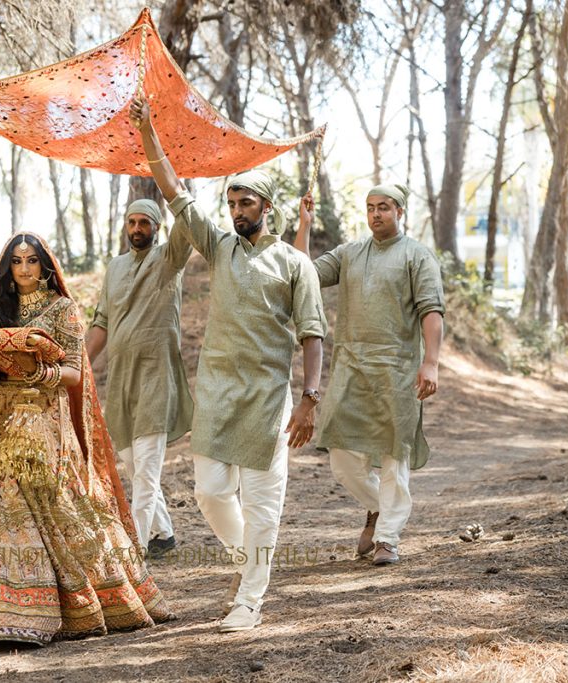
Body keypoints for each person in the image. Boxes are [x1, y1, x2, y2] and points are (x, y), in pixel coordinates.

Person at [131, 97, 326, 632]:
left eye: (247, 203)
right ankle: (249, 567)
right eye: (232, 202)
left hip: (268, 398)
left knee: (263, 504)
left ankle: (250, 600)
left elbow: (312, 335)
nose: (237, 211)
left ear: (266, 206)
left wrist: (309, 399)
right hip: (216, 392)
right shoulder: (218, 248)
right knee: (210, 493)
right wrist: (149, 130)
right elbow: (172, 191)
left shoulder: (295, 264)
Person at [0, 232, 174, 647]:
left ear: (45, 266)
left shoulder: (63, 310)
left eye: (32, 261)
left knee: (52, 505)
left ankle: (68, 605)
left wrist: (38, 374)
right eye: (17, 262)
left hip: (44, 422)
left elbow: (76, 374)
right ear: (8, 268)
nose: (24, 269)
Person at [293, 184, 444, 566]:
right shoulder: (349, 253)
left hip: (398, 371)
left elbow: (431, 311)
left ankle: (388, 538)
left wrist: (431, 362)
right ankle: (378, 510)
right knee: (342, 459)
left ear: (400, 211)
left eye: (385, 208)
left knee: (395, 456)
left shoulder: (417, 256)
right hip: (351, 369)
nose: (376, 214)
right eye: (371, 208)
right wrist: (305, 226)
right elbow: (303, 273)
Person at [86, 199, 194, 558]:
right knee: (134, 467)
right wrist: (81, 368)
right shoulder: (115, 267)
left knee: (146, 472)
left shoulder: (169, 259)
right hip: (121, 382)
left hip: (156, 377)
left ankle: (131, 554)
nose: (136, 229)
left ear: (157, 227)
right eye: (131, 222)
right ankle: (162, 534)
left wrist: (174, 186)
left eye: (144, 223)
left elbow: (187, 220)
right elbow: (101, 321)